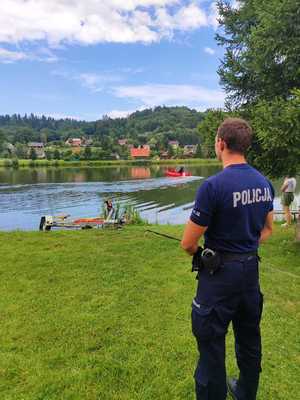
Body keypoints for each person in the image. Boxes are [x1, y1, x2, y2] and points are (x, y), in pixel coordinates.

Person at [181, 118, 274, 400]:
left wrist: (206, 255)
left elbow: (187, 243)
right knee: (249, 338)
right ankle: (246, 392)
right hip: (249, 272)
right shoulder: (264, 183)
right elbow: (268, 228)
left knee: (210, 342)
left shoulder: (212, 186)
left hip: (219, 277)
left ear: (221, 143)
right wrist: (243, 247)